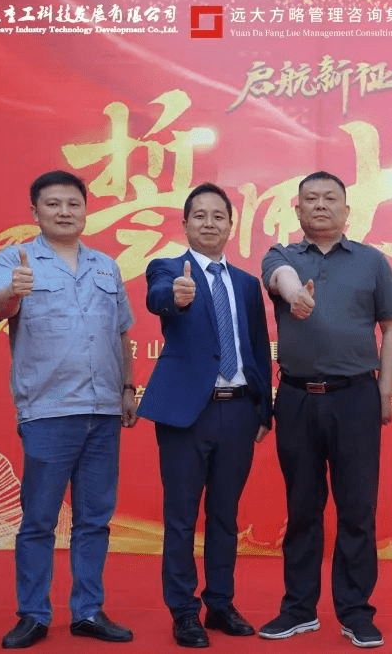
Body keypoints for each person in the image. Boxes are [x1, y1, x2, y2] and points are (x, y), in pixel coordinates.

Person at [0, 170, 137, 649]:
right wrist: (14, 290)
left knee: (95, 519)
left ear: (86, 209)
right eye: (53, 204)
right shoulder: (15, 259)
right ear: (35, 211)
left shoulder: (106, 266)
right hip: (48, 410)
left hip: (103, 410)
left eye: (73, 203)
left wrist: (128, 387)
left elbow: (122, 332)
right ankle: (33, 614)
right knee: (39, 520)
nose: (64, 211)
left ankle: (88, 610)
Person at [259, 171, 392, 648]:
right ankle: (298, 608)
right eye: (310, 199)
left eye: (330, 199)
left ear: (347, 210)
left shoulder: (371, 261)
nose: (320, 205)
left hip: (356, 397)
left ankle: (356, 611)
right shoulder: (282, 255)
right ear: (297, 209)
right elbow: (278, 278)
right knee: (302, 508)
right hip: (297, 398)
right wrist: (295, 295)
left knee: (357, 509)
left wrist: (384, 391)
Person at [137, 183, 272, 648]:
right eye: (200, 215)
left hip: (238, 411)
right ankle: (183, 611)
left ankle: (220, 603)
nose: (209, 223)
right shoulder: (167, 269)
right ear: (185, 224)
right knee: (180, 517)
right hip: (186, 415)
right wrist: (175, 296)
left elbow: (257, 349)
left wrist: (264, 409)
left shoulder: (247, 285)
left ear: (231, 225)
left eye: (218, 216)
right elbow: (158, 295)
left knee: (225, 515)